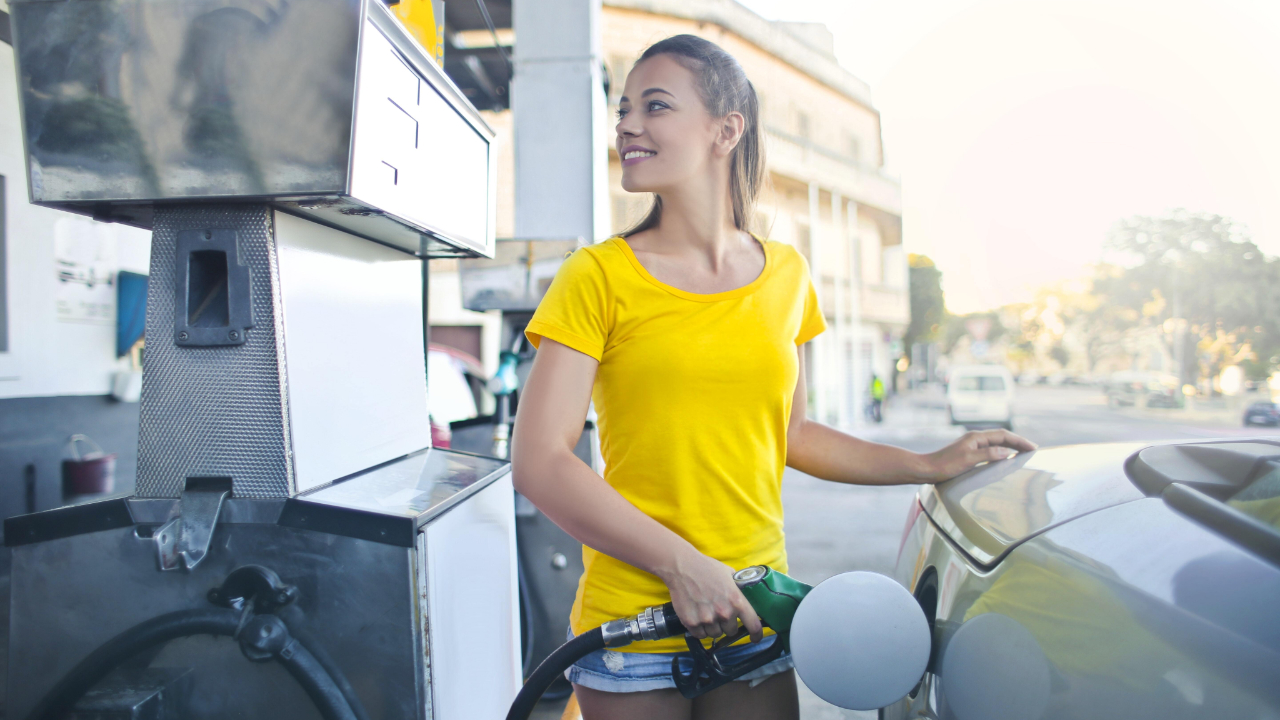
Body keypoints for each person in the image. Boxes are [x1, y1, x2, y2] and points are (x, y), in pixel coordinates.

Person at [511, 34, 1036, 720]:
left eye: (656, 105)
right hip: (632, 628)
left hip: (753, 612)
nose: (627, 124)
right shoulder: (597, 276)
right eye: (624, 108)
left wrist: (927, 462)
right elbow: (541, 462)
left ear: (726, 129)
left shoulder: (787, 277)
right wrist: (680, 564)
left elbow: (794, 434)